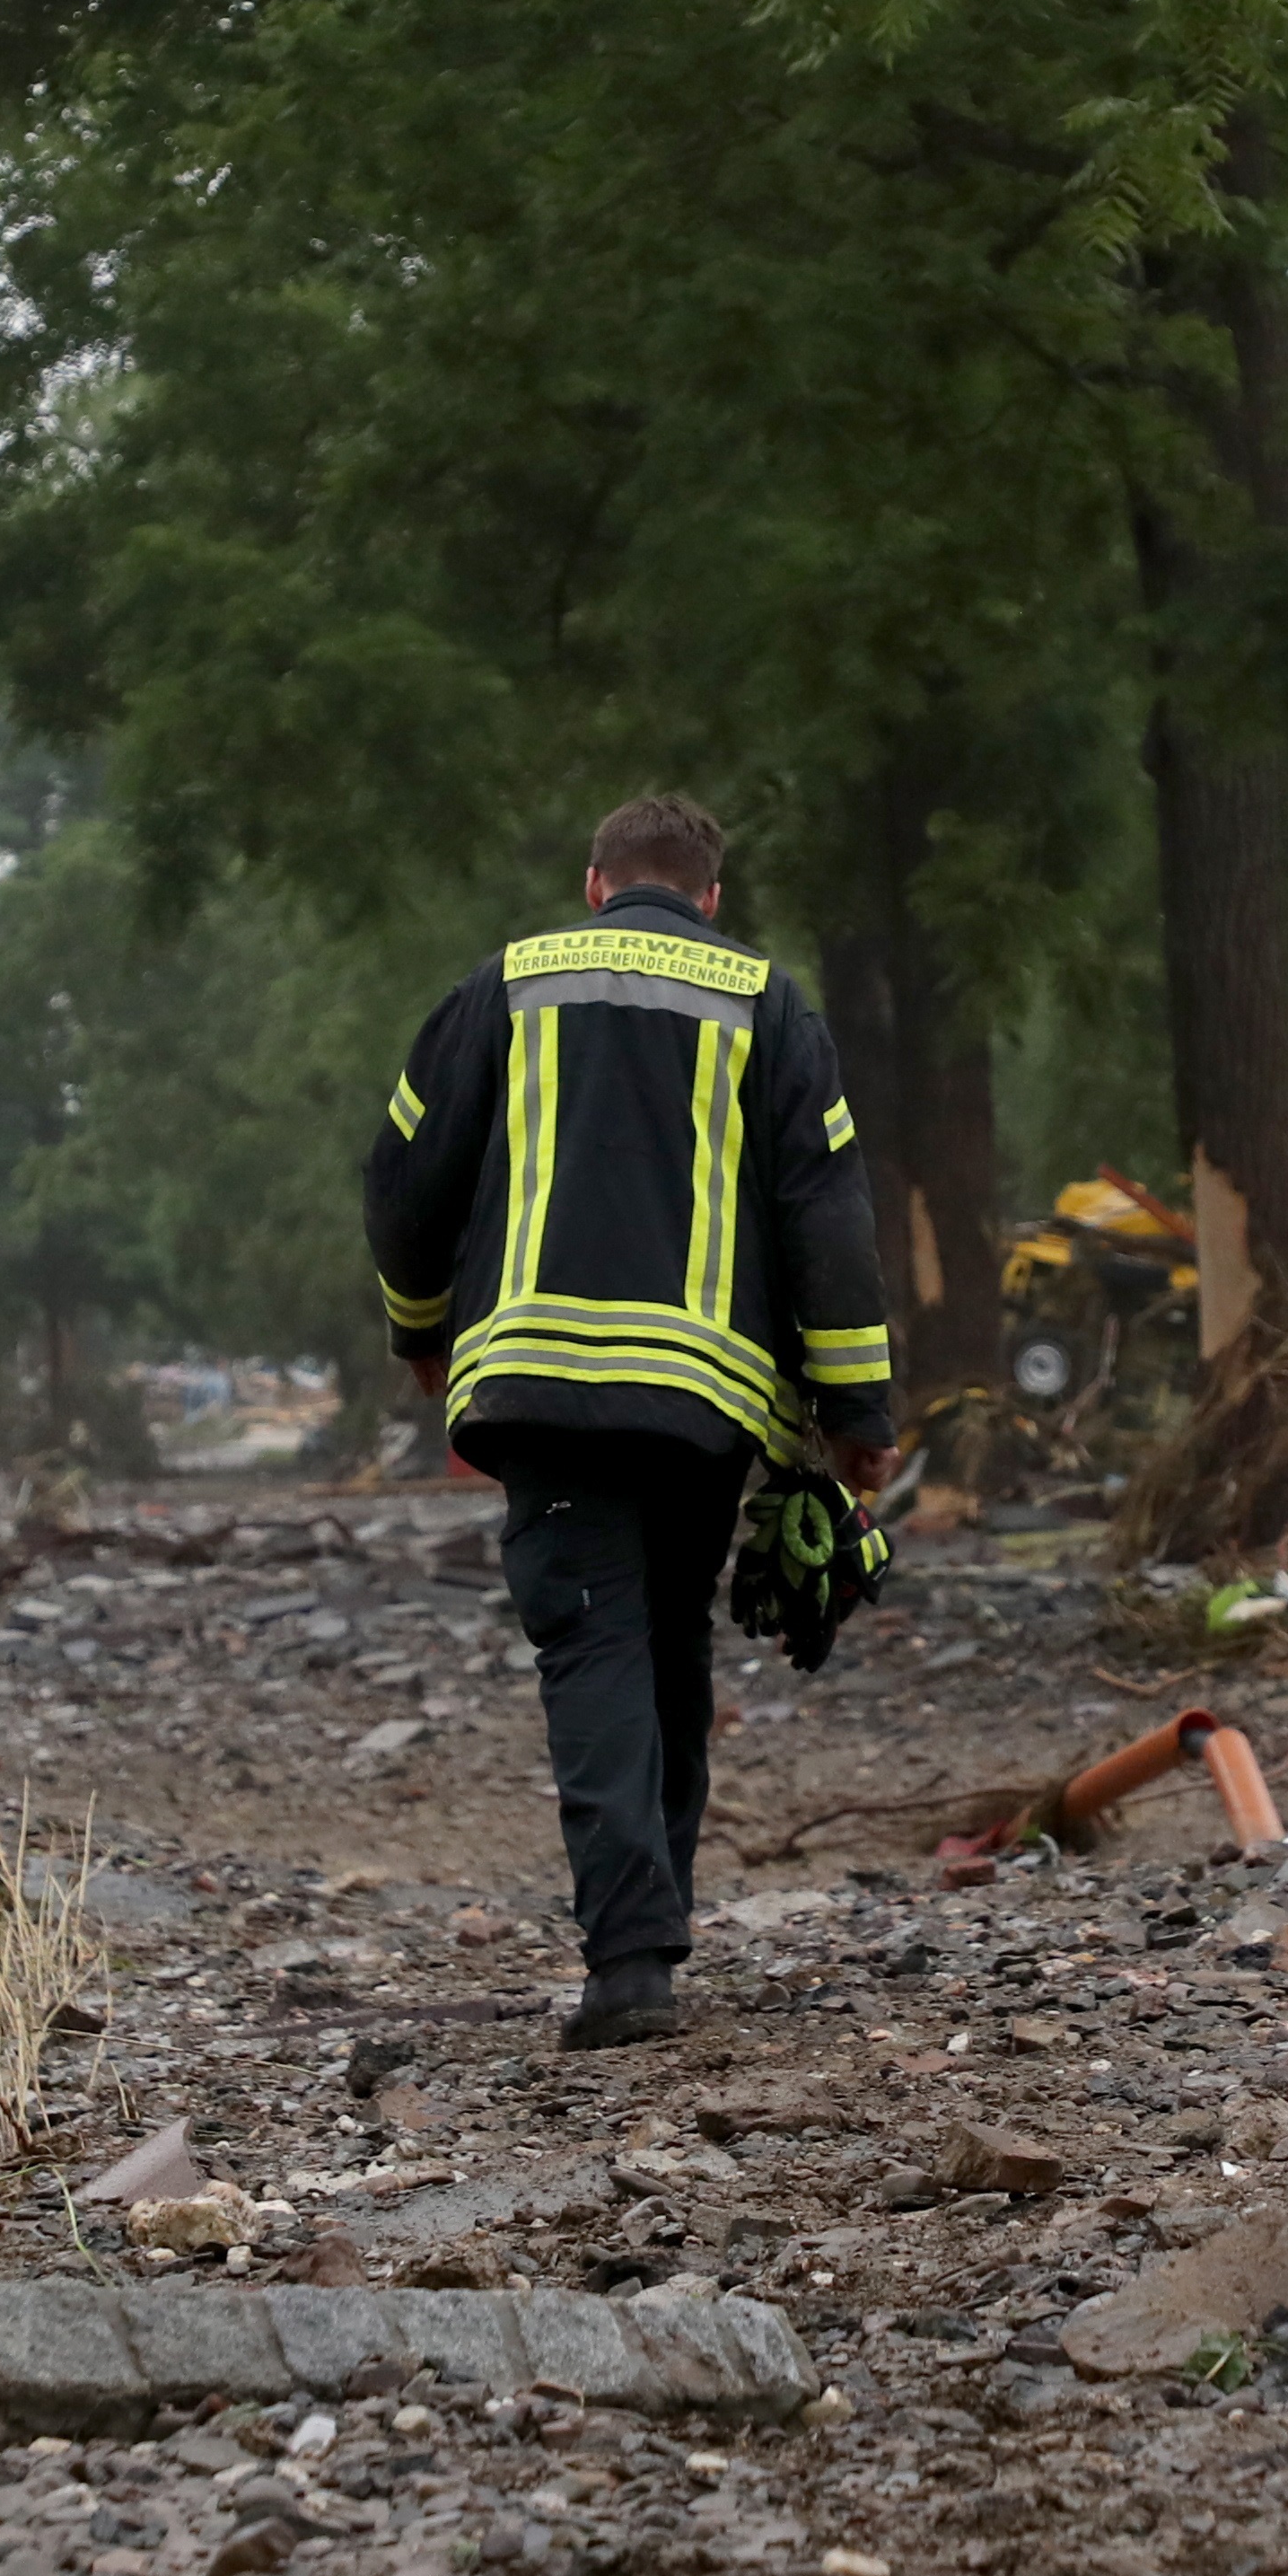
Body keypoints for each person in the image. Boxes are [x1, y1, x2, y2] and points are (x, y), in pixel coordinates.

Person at [365, 796, 900, 2048]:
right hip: (701, 1401)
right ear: (710, 898)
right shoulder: (768, 1003)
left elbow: (403, 1175)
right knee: (667, 1647)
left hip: (540, 1394)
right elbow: (828, 1211)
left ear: (595, 884)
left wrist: (420, 1330)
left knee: (593, 1648)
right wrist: (856, 1412)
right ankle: (651, 1930)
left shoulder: (508, 984)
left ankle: (631, 1961)